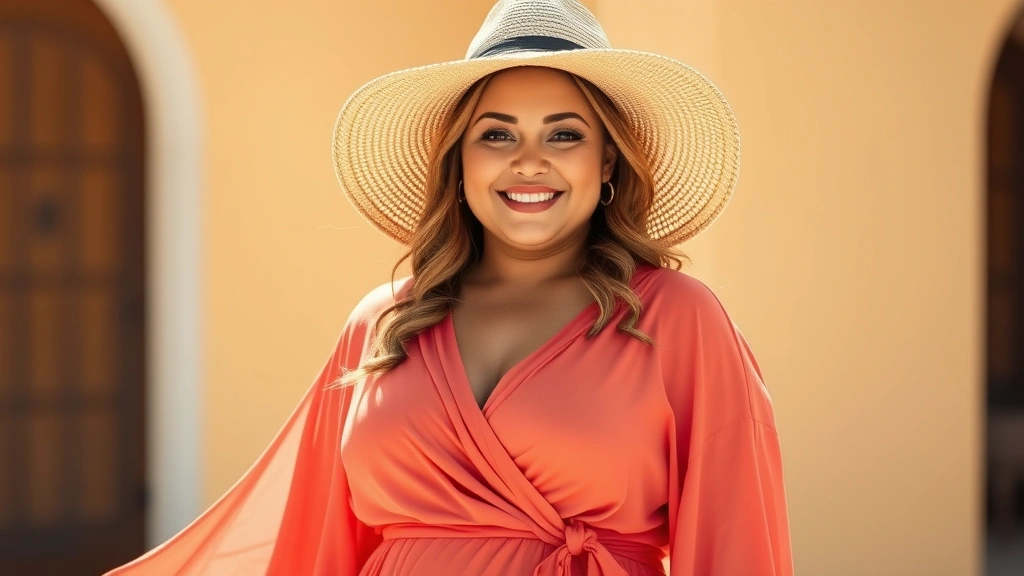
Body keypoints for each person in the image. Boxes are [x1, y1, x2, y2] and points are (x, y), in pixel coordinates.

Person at [105, 1, 793, 574]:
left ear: (605, 160)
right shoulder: (381, 327)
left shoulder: (677, 320)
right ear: (458, 163)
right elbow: (317, 547)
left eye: (563, 135)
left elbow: (737, 547)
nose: (529, 162)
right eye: (497, 135)